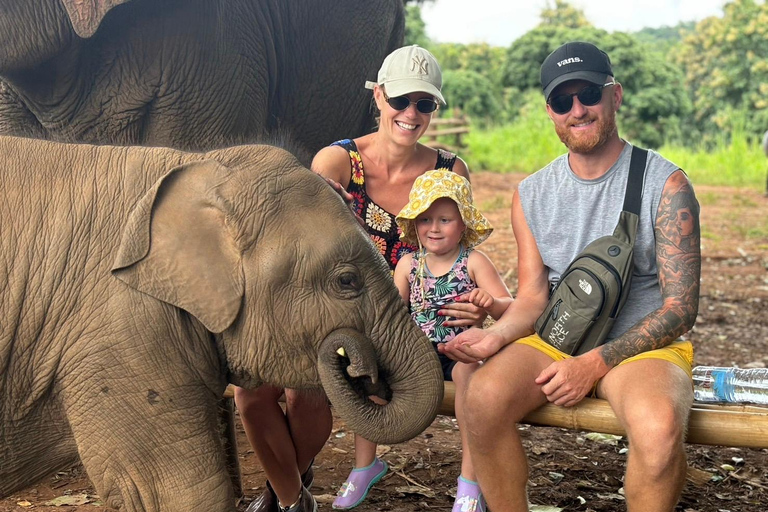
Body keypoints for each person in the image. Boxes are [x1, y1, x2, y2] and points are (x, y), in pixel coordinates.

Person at [439, 41, 701, 512]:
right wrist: (493, 337)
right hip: (558, 337)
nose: (577, 110)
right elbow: (534, 298)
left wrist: (595, 364)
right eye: (563, 101)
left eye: (589, 95)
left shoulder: (666, 184)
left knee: (660, 430)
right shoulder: (532, 193)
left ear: (615, 95)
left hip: (643, 349)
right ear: (550, 111)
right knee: (481, 399)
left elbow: (681, 310)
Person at [236, 44, 484, 512]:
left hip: (405, 325)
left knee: (302, 389)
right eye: (401, 101)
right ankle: (292, 495)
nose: (411, 113)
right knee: (251, 392)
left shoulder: (451, 171)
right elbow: (302, 254)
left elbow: (458, 255)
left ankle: (283, 495)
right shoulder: (336, 163)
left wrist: (473, 299)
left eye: (424, 103)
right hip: (328, 308)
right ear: (379, 97)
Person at [388, 170, 511, 512]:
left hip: (463, 349)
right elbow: (395, 313)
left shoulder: (473, 262)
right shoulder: (409, 264)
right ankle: (364, 465)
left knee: (469, 377)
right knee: (375, 376)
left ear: (463, 225)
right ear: (414, 225)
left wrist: (491, 303)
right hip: (418, 353)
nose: (434, 228)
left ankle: (470, 482)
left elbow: (512, 311)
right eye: (425, 219)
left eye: (445, 219)